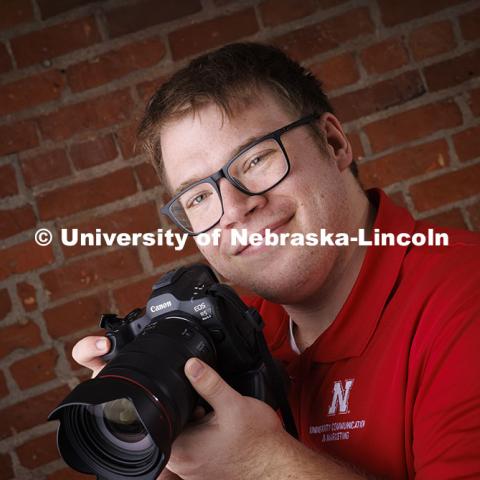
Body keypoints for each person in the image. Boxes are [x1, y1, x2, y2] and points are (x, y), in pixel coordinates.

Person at [72, 43, 480, 479]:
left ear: (334, 143)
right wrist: (161, 449)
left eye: (256, 159)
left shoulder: (463, 300)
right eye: (199, 196)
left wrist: (261, 462)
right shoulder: (238, 335)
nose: (233, 208)